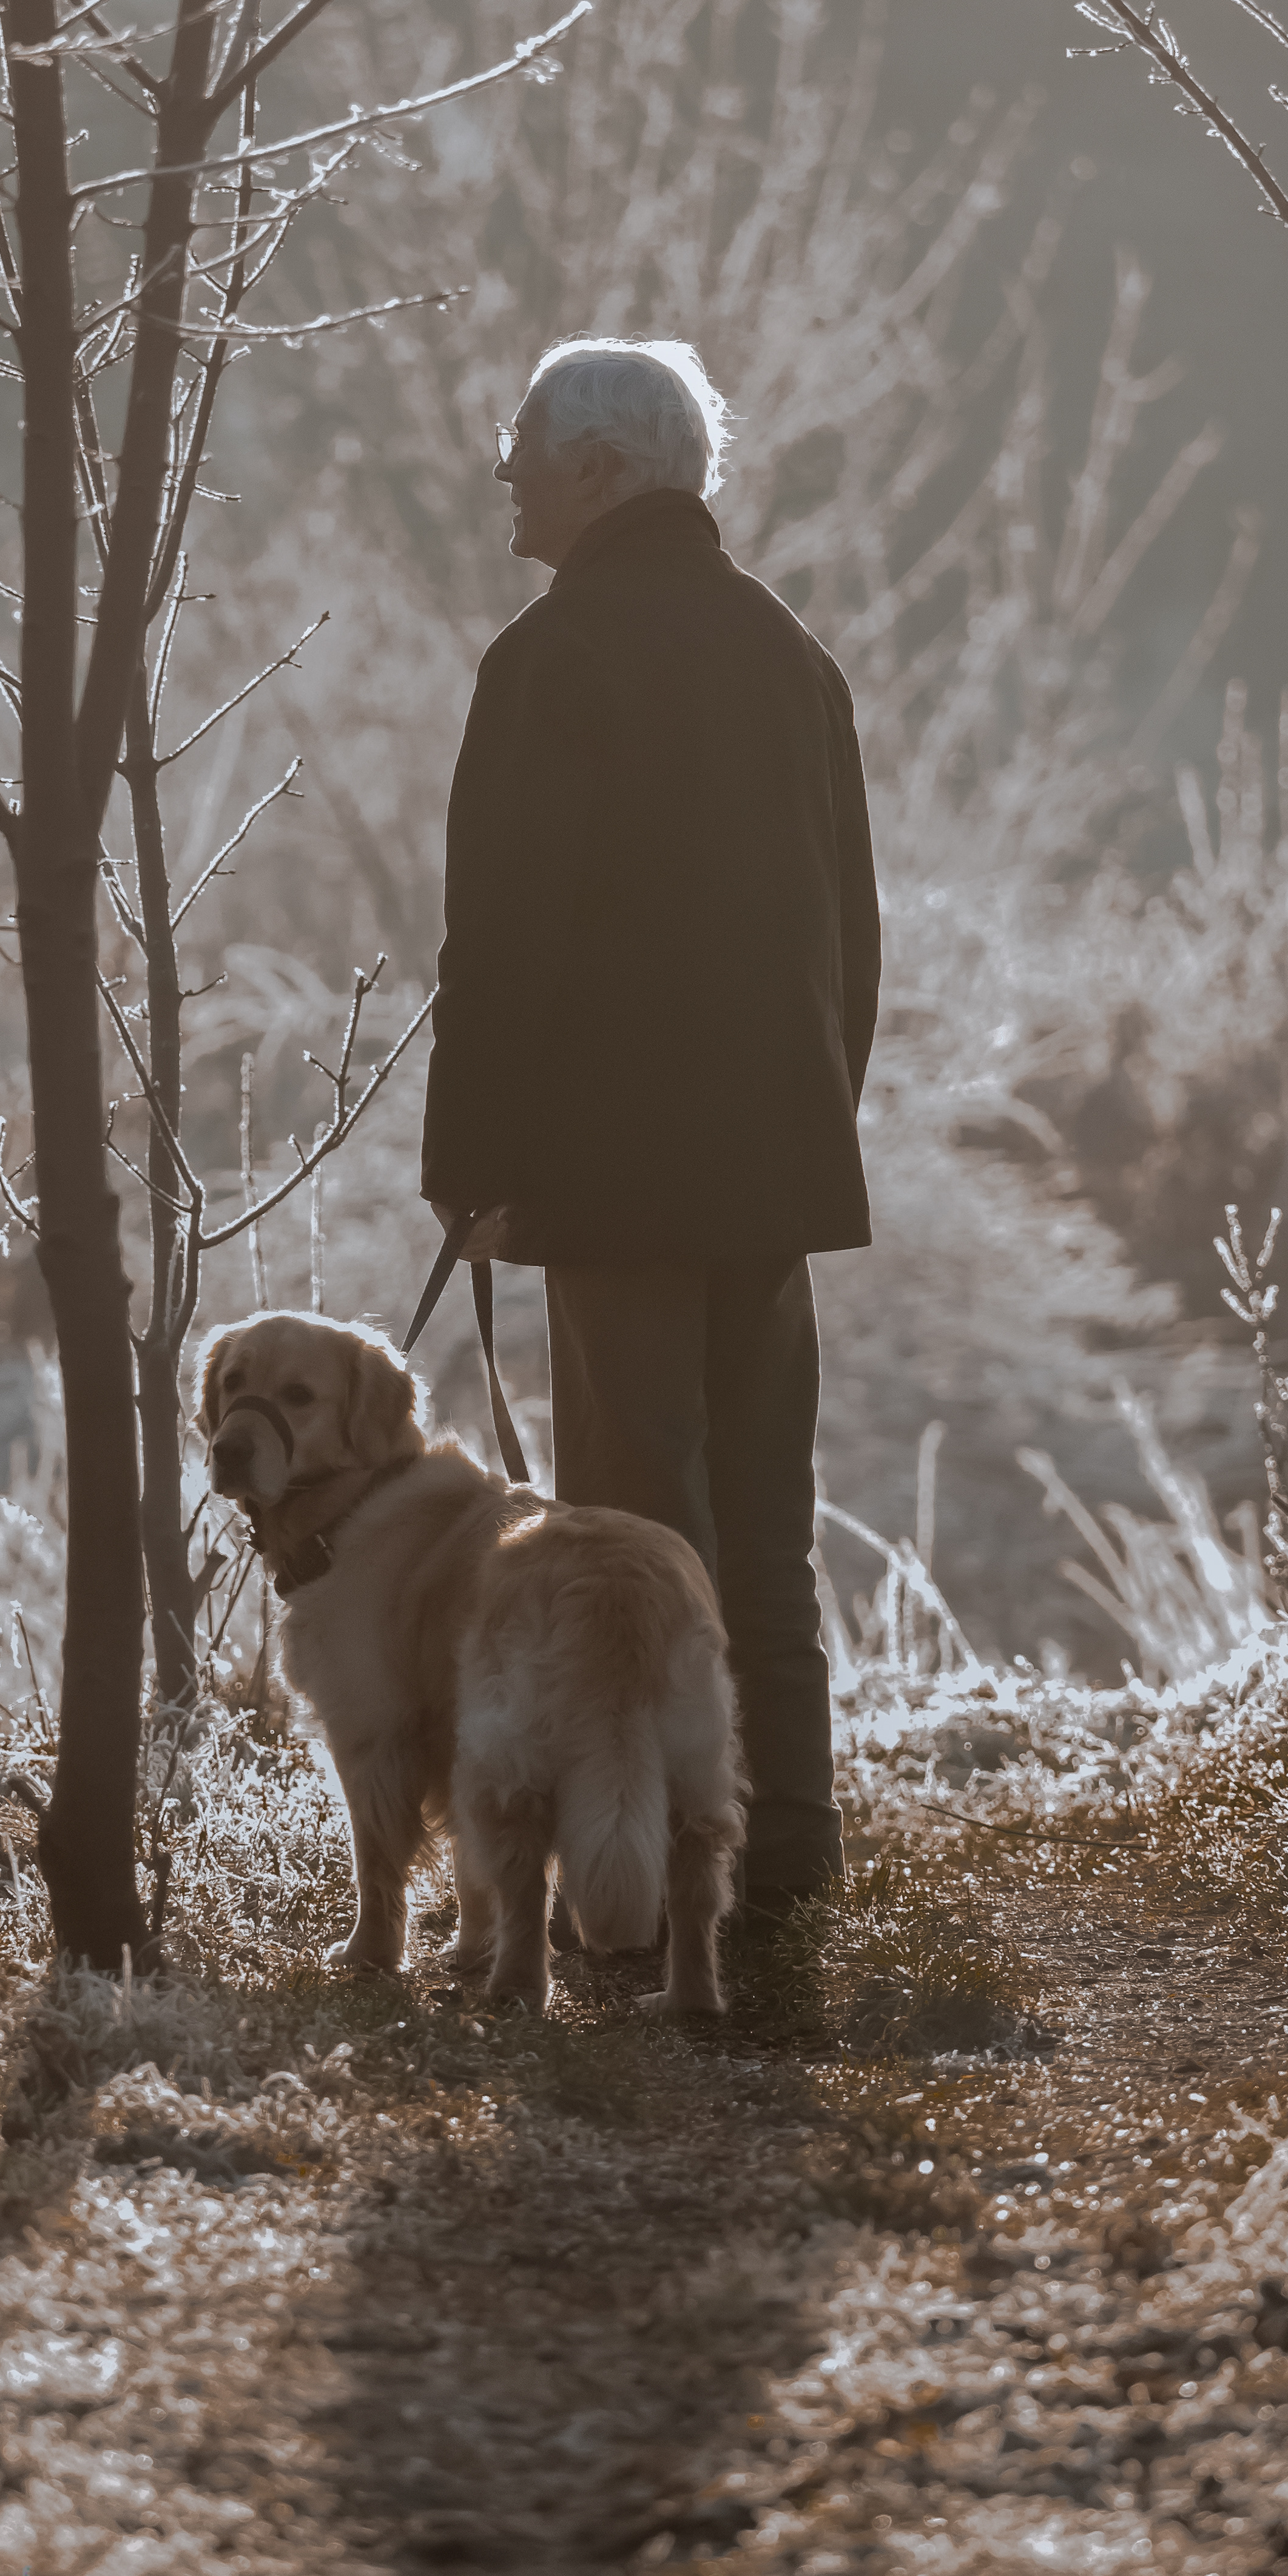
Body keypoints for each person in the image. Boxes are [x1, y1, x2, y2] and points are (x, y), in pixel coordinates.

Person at [420, 335, 880, 1933]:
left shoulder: (549, 664)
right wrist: (816, 1122)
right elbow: (855, 948)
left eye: (525, 443)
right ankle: (790, 1838)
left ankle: (648, 1885)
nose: (503, 472)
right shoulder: (791, 659)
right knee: (763, 1525)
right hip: (775, 1172)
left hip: (612, 1185)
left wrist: (466, 1168)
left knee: (630, 1535)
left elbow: (503, 948)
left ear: (604, 469)